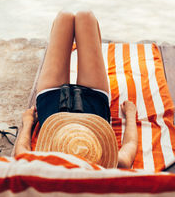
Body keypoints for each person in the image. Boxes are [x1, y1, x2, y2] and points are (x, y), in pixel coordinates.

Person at [14, 11, 138, 168]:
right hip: (93, 103)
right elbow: (130, 145)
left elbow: (21, 152)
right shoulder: (112, 165)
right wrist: (131, 115)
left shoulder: (45, 166)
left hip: (53, 103)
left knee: (65, 17)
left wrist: (28, 122)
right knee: (85, 17)